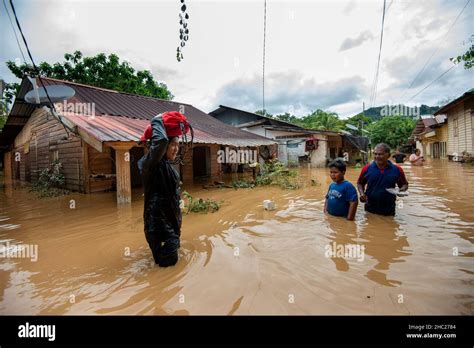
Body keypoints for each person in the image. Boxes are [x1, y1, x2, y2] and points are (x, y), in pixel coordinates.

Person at [138, 112, 190, 267]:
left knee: (165, 265)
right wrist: (157, 119)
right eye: (172, 145)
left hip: (170, 225)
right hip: (158, 227)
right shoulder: (148, 164)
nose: (176, 149)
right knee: (168, 266)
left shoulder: (168, 166)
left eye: (177, 145)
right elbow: (160, 140)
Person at [357, 143, 408, 216]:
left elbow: (404, 184)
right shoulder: (367, 168)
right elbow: (360, 183)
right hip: (370, 208)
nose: (377, 156)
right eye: (375, 154)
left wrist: (401, 191)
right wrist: (362, 194)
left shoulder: (397, 170)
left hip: (389, 209)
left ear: (388, 155)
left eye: (380, 154)